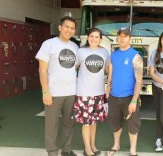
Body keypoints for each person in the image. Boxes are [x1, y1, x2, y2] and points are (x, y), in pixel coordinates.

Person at [36, 17, 78, 156]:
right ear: (60, 27)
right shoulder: (48, 44)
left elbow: (76, 67)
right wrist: (45, 91)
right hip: (53, 93)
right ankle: (52, 152)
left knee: (69, 123)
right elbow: (42, 70)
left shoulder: (75, 47)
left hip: (71, 92)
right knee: (51, 126)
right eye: (66, 27)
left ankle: (66, 150)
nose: (69, 30)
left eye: (72, 28)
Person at [71, 28, 109, 156]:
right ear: (87, 38)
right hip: (84, 92)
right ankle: (87, 148)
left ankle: (93, 145)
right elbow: (72, 69)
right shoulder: (81, 51)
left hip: (99, 92)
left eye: (96, 37)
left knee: (94, 121)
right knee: (86, 122)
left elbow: (108, 69)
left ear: (100, 39)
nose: (94, 39)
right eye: (91, 36)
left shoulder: (104, 52)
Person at [105, 27, 143, 156]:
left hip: (129, 97)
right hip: (114, 96)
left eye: (125, 36)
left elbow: (139, 80)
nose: (122, 38)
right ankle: (116, 145)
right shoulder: (113, 55)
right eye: (120, 36)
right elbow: (110, 74)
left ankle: (133, 149)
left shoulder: (135, 56)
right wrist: (107, 92)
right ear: (117, 38)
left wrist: (134, 100)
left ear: (129, 38)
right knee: (115, 123)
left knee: (133, 124)